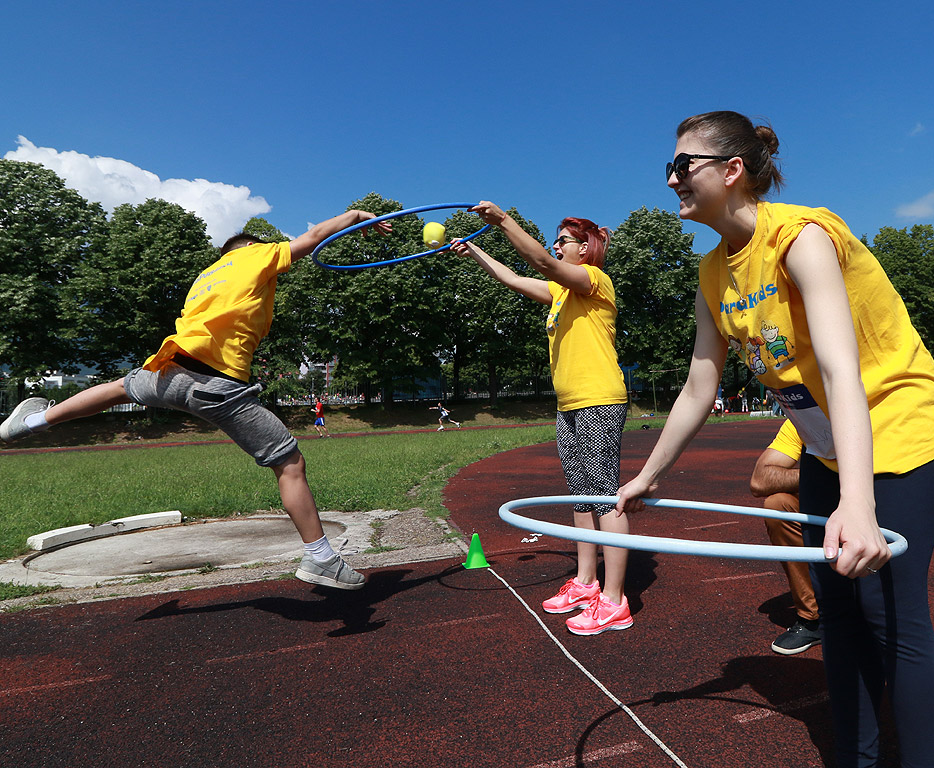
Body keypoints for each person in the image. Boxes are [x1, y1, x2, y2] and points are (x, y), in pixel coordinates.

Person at [616, 111, 934, 767]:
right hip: (828, 441)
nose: (671, 180)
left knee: (891, 617)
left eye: (683, 165)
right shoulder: (713, 272)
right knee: (840, 614)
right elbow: (697, 386)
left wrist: (856, 504)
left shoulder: (801, 237)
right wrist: (648, 475)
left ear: (732, 171)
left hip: (899, 425)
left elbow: (840, 367)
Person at [1, 209, 392, 591]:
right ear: (251, 248)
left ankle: (34, 421)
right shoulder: (256, 255)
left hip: (167, 371)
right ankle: (322, 558)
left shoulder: (207, 276)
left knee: (121, 387)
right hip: (216, 384)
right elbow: (314, 236)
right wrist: (354, 216)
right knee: (289, 464)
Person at [451, 203, 631, 636]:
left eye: (563, 240)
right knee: (581, 497)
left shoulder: (594, 282)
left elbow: (541, 262)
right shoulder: (560, 294)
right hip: (570, 405)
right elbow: (514, 278)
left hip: (599, 400)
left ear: (584, 250)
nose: (555, 245)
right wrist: (475, 252)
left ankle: (615, 600)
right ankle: (587, 584)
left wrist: (504, 222)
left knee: (605, 497)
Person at [750, 419, 821, 655]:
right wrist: (822, 478)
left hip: (873, 501)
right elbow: (760, 480)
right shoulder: (805, 416)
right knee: (777, 504)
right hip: (827, 499)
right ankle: (813, 618)